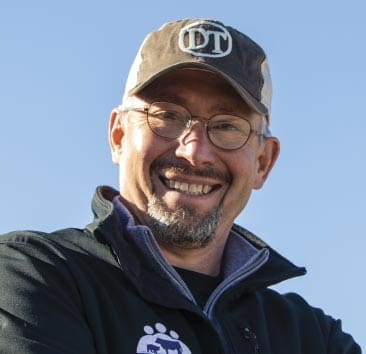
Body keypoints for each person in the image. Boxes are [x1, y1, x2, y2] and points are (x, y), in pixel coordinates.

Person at [0, 18, 361, 354]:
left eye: (227, 126)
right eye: (167, 116)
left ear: (263, 162)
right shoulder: (35, 276)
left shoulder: (313, 336)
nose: (194, 152)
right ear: (119, 136)